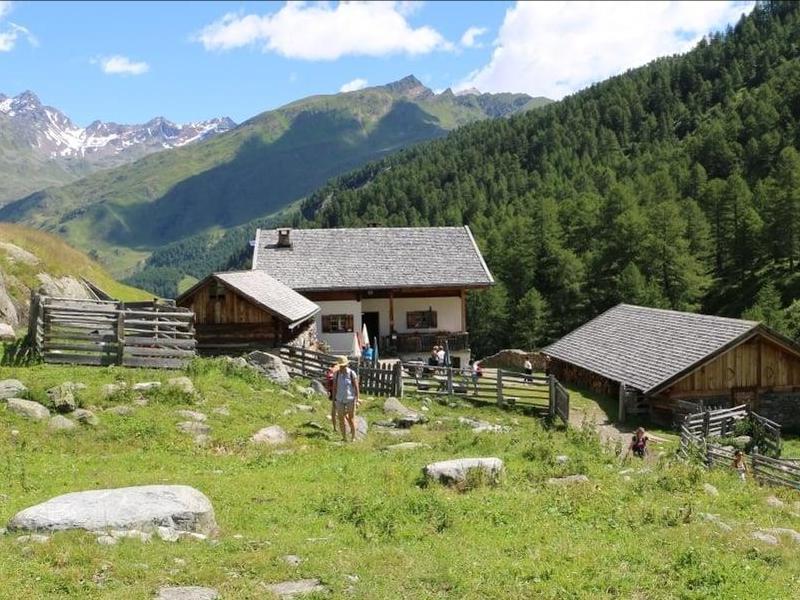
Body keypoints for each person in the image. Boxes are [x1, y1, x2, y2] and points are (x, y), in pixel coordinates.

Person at [331, 355, 360, 442]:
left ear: (347, 365)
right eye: (341, 366)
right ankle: (344, 438)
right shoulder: (336, 374)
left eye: (343, 365)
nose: (342, 367)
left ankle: (353, 437)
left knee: (351, 418)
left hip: (350, 399)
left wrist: (357, 398)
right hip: (339, 399)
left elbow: (356, 387)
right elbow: (334, 387)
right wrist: (333, 400)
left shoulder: (351, 373)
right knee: (341, 419)